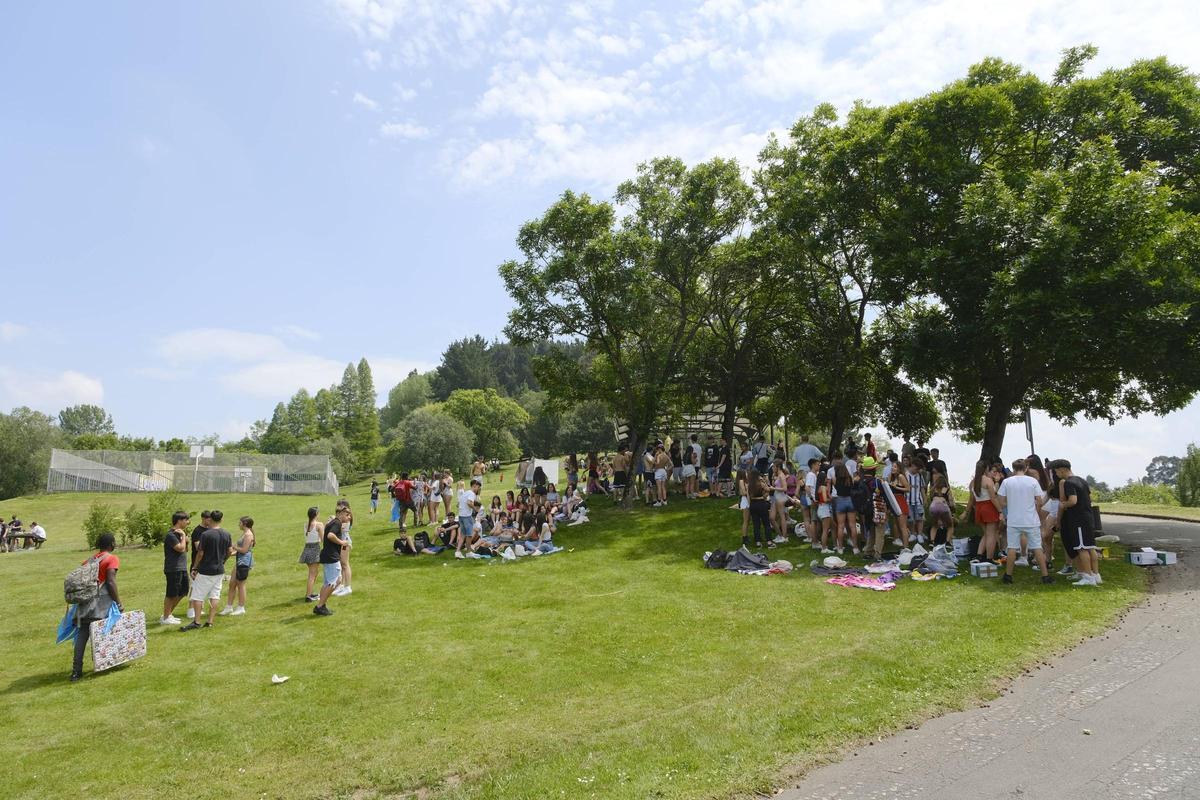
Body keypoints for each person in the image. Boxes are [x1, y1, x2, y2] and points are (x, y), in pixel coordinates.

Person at [70, 532, 122, 682]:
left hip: (84, 603)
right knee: (103, 632)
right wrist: (118, 602)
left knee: (82, 635)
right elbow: (111, 582)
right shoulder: (112, 559)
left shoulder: (89, 560)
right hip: (101, 604)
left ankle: (76, 672)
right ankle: (104, 664)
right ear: (111, 544)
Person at [996, 459, 1053, 584]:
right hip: (1031, 519)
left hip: (1013, 520)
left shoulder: (1006, 482)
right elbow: (1039, 501)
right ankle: (1045, 576)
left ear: (1013, 468)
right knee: (1037, 547)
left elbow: (1001, 502)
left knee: (1011, 548)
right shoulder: (1032, 481)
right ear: (1026, 468)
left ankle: (1008, 575)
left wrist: (1011, 503)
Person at [1051, 459, 1102, 586]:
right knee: (1091, 548)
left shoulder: (1069, 483)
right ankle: (1096, 575)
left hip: (1078, 520)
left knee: (1081, 549)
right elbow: (1088, 498)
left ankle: (1088, 577)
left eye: (1056, 471)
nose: (1056, 474)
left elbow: (1073, 500)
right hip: (1088, 518)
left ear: (1062, 469)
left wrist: (1064, 504)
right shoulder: (1082, 481)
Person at [181, 510, 233, 631]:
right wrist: (223, 560)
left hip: (205, 570)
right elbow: (230, 551)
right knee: (215, 595)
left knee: (198, 596)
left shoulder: (206, 535)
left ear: (210, 519)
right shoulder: (226, 533)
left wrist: (195, 567)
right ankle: (210, 621)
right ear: (221, 519)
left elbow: (200, 553)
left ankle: (197, 621)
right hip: (219, 570)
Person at [314, 506, 351, 616]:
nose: (349, 517)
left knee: (329, 582)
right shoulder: (337, 523)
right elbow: (330, 535)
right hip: (331, 557)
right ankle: (320, 606)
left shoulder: (333, 522)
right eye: (347, 515)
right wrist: (342, 542)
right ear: (341, 513)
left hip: (327, 555)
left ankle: (322, 605)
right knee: (335, 581)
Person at [964, 460, 1002, 563]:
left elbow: (971, 500)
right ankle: (989, 558)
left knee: (986, 533)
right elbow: (993, 498)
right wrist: (1000, 511)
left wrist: (965, 512)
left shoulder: (973, 482)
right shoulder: (988, 480)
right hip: (989, 507)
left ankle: (979, 555)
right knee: (991, 534)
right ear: (986, 469)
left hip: (979, 508)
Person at [221, 516, 256, 615]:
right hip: (239, 561)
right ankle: (229, 606)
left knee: (241, 585)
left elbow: (244, 550)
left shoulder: (248, 535)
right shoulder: (245, 533)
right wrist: (230, 554)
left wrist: (234, 546)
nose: (238, 524)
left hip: (244, 562)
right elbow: (241, 551)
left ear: (244, 524)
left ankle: (241, 607)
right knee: (232, 583)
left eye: (240, 522)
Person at [160, 511, 190, 625]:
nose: (187, 522)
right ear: (179, 521)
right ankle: (166, 617)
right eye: (186, 520)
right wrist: (183, 536)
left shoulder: (180, 534)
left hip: (181, 567)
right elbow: (180, 548)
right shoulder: (171, 535)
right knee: (171, 593)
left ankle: (167, 614)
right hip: (173, 568)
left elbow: (186, 549)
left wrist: (184, 538)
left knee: (183, 591)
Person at [186, 511, 212, 619]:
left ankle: (199, 608)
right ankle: (191, 609)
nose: (209, 521)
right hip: (197, 562)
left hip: (207, 562)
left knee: (203, 587)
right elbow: (198, 547)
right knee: (194, 586)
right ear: (203, 518)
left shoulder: (210, 529)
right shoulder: (197, 531)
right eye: (208, 519)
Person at [299, 506, 323, 601]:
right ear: (316, 514)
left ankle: (310, 593)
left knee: (313, 573)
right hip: (314, 549)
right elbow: (323, 539)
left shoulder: (306, 524)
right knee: (312, 574)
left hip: (307, 549)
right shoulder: (319, 525)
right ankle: (308, 596)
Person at [746, 469, 773, 550]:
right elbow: (768, 489)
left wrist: (750, 504)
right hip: (761, 502)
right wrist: (763, 481)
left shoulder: (749, 485)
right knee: (766, 523)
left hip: (753, 504)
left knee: (756, 524)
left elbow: (748, 496)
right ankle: (769, 541)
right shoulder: (760, 483)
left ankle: (758, 542)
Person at [456, 479, 482, 559]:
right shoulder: (472, 494)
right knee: (469, 535)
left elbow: (458, 504)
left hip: (461, 516)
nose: (478, 489)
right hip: (467, 516)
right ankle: (468, 552)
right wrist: (475, 509)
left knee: (463, 534)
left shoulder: (465, 493)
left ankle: (457, 552)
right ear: (475, 486)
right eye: (478, 487)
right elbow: (469, 503)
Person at [927, 475, 956, 546]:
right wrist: (953, 509)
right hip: (943, 506)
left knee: (934, 525)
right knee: (950, 525)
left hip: (933, 507)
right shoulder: (947, 489)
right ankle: (948, 542)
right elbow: (951, 502)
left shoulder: (933, 489)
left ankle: (931, 542)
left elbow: (931, 499)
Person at [333, 500, 354, 596]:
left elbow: (341, 527)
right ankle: (340, 585)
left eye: (340, 506)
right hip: (340, 542)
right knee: (341, 564)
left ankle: (347, 586)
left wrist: (333, 520)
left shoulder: (348, 517)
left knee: (345, 564)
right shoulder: (342, 517)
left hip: (344, 542)